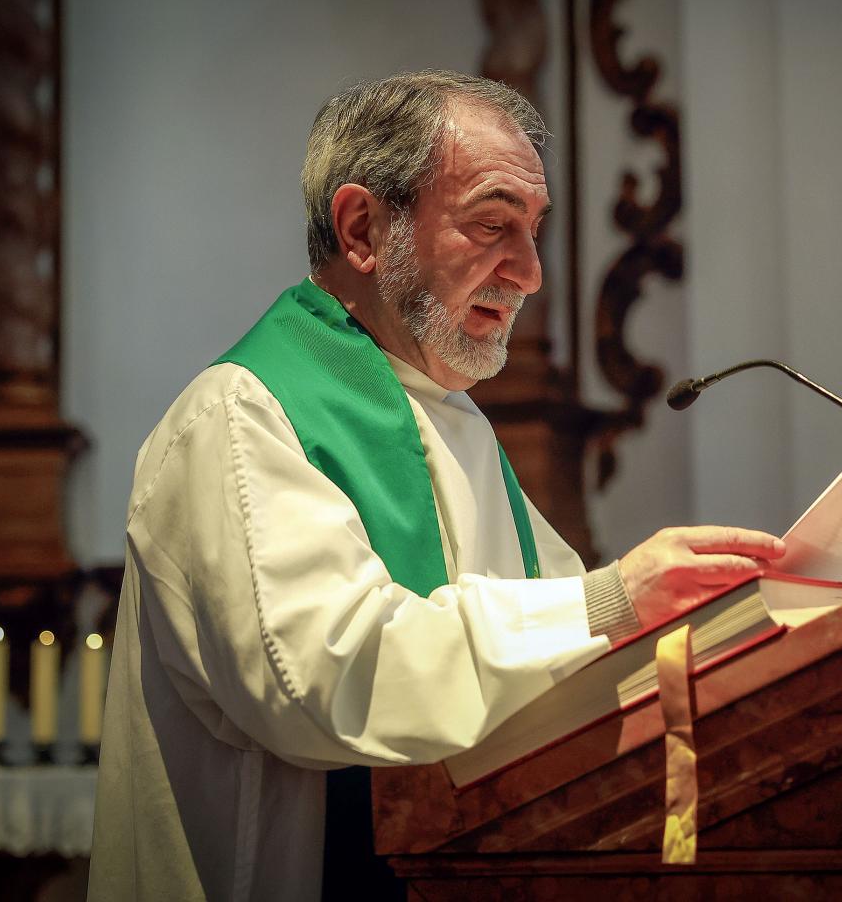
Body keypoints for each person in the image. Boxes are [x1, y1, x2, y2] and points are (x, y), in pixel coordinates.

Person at [88, 70, 785, 902]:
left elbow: (565, 659)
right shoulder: (242, 417)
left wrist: (718, 635)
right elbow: (330, 679)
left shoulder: (457, 431)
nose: (528, 273)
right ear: (361, 228)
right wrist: (612, 603)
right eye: (493, 225)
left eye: (533, 232)